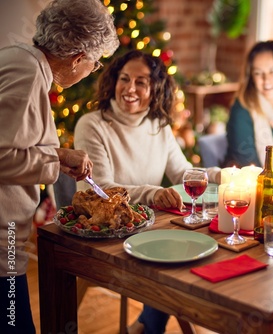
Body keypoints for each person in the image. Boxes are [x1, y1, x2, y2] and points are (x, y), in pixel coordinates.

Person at [74, 50, 221, 334]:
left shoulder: (159, 126)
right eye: (124, 79)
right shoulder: (92, 125)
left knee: (195, 246)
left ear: (155, 90)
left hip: (149, 226)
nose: (130, 89)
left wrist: (225, 175)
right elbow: (99, 188)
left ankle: (147, 325)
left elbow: (183, 173)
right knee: (173, 256)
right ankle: (150, 327)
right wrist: (152, 193)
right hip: (107, 231)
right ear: (113, 81)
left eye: (141, 82)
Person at [0, 0, 118, 333]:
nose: (91, 70)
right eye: (94, 64)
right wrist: (57, 158)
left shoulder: (17, 57)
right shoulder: (28, 74)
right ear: (78, 58)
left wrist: (60, 156)